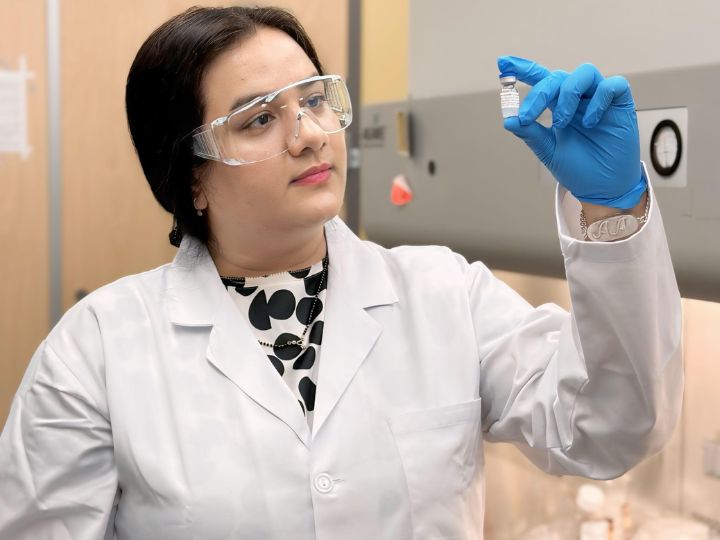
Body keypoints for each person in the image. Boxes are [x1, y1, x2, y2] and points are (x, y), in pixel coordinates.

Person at [0, 5, 682, 540]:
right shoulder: (97, 346)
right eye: (260, 119)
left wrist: (612, 208)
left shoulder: (444, 293)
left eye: (315, 100)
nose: (309, 134)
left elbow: (611, 426)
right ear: (192, 179)